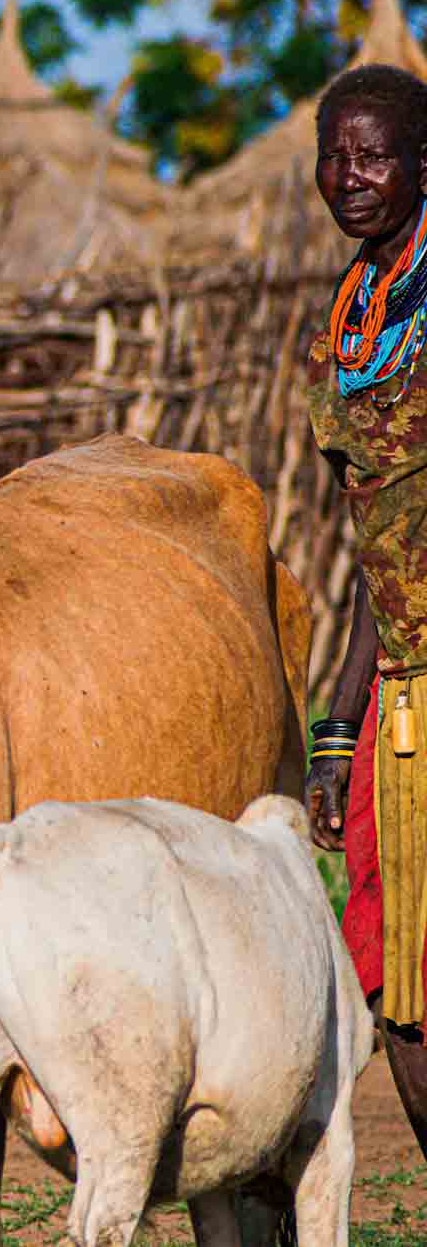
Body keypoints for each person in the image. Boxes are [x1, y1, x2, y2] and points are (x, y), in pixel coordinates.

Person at [307, 60, 427, 1158]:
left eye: (372, 153)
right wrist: (336, 732)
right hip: (397, 695)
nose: (348, 175)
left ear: (421, 164)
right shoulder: (355, 313)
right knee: (391, 967)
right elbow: (371, 555)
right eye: (332, 156)